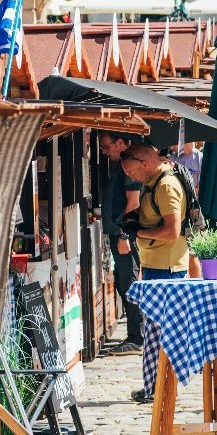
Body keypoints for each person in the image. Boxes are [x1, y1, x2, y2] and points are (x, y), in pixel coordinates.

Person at [97, 132, 144, 351]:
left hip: (126, 234)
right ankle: (135, 334)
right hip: (119, 233)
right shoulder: (121, 164)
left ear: (120, 143)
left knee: (128, 282)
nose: (104, 152)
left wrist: (124, 234)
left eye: (106, 147)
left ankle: (137, 336)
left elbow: (133, 203)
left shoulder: (129, 167)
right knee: (122, 280)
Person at [124, 144, 190, 280]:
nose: (131, 178)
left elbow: (172, 231)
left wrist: (138, 232)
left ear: (145, 165)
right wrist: (135, 214)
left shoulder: (165, 186)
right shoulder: (153, 182)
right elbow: (155, 210)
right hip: (156, 264)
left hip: (167, 268)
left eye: (131, 172)